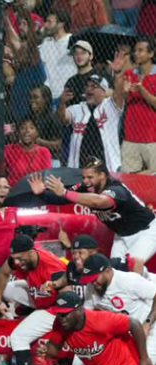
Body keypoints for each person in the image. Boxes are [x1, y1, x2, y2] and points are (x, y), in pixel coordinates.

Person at [0, 235, 67, 365]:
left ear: (32, 252)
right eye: (15, 258)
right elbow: (3, 273)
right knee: (9, 289)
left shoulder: (52, 266)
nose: (17, 262)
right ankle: (27, 311)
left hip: (54, 308)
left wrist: (57, 328)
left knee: (18, 337)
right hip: (39, 299)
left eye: (20, 258)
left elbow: (67, 298)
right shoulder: (20, 261)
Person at [28, 158, 156, 260]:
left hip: (146, 231)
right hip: (122, 235)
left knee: (133, 266)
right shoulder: (85, 187)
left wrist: (65, 192)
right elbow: (61, 198)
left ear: (102, 175)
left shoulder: (117, 190)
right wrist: (42, 193)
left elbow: (98, 201)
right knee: (115, 272)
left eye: (90, 177)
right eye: (84, 177)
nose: (86, 181)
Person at [58, 74, 125, 171]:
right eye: (87, 86)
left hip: (106, 165)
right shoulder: (78, 108)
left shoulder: (110, 106)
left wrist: (118, 73)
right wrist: (62, 103)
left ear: (103, 91)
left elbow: (119, 92)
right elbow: (63, 118)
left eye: (94, 86)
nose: (89, 89)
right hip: (79, 166)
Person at [119, 37, 156, 174]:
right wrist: (124, 91)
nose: (136, 54)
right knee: (128, 179)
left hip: (152, 138)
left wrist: (142, 90)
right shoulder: (129, 74)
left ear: (151, 54)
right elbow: (121, 102)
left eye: (141, 51)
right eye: (135, 50)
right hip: (130, 137)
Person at [39, 10, 76, 102]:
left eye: (49, 22)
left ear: (61, 24)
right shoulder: (46, 42)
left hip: (67, 94)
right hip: (48, 95)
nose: (45, 25)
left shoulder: (73, 41)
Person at [4, 118, 52, 186]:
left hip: (36, 192)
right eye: (23, 128)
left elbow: (47, 176)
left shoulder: (44, 152)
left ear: (37, 133)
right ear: (18, 132)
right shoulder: (9, 150)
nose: (27, 131)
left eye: (31, 128)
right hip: (14, 192)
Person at [28, 85, 63, 166]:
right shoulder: (29, 117)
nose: (32, 100)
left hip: (50, 159)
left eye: (36, 97)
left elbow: (58, 145)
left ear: (45, 99)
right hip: (32, 158)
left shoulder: (53, 118)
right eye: (31, 97)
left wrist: (39, 141)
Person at [63, 40, 102, 106]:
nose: (79, 56)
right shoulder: (71, 81)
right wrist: (62, 101)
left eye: (83, 53)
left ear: (91, 56)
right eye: (76, 53)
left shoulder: (100, 76)